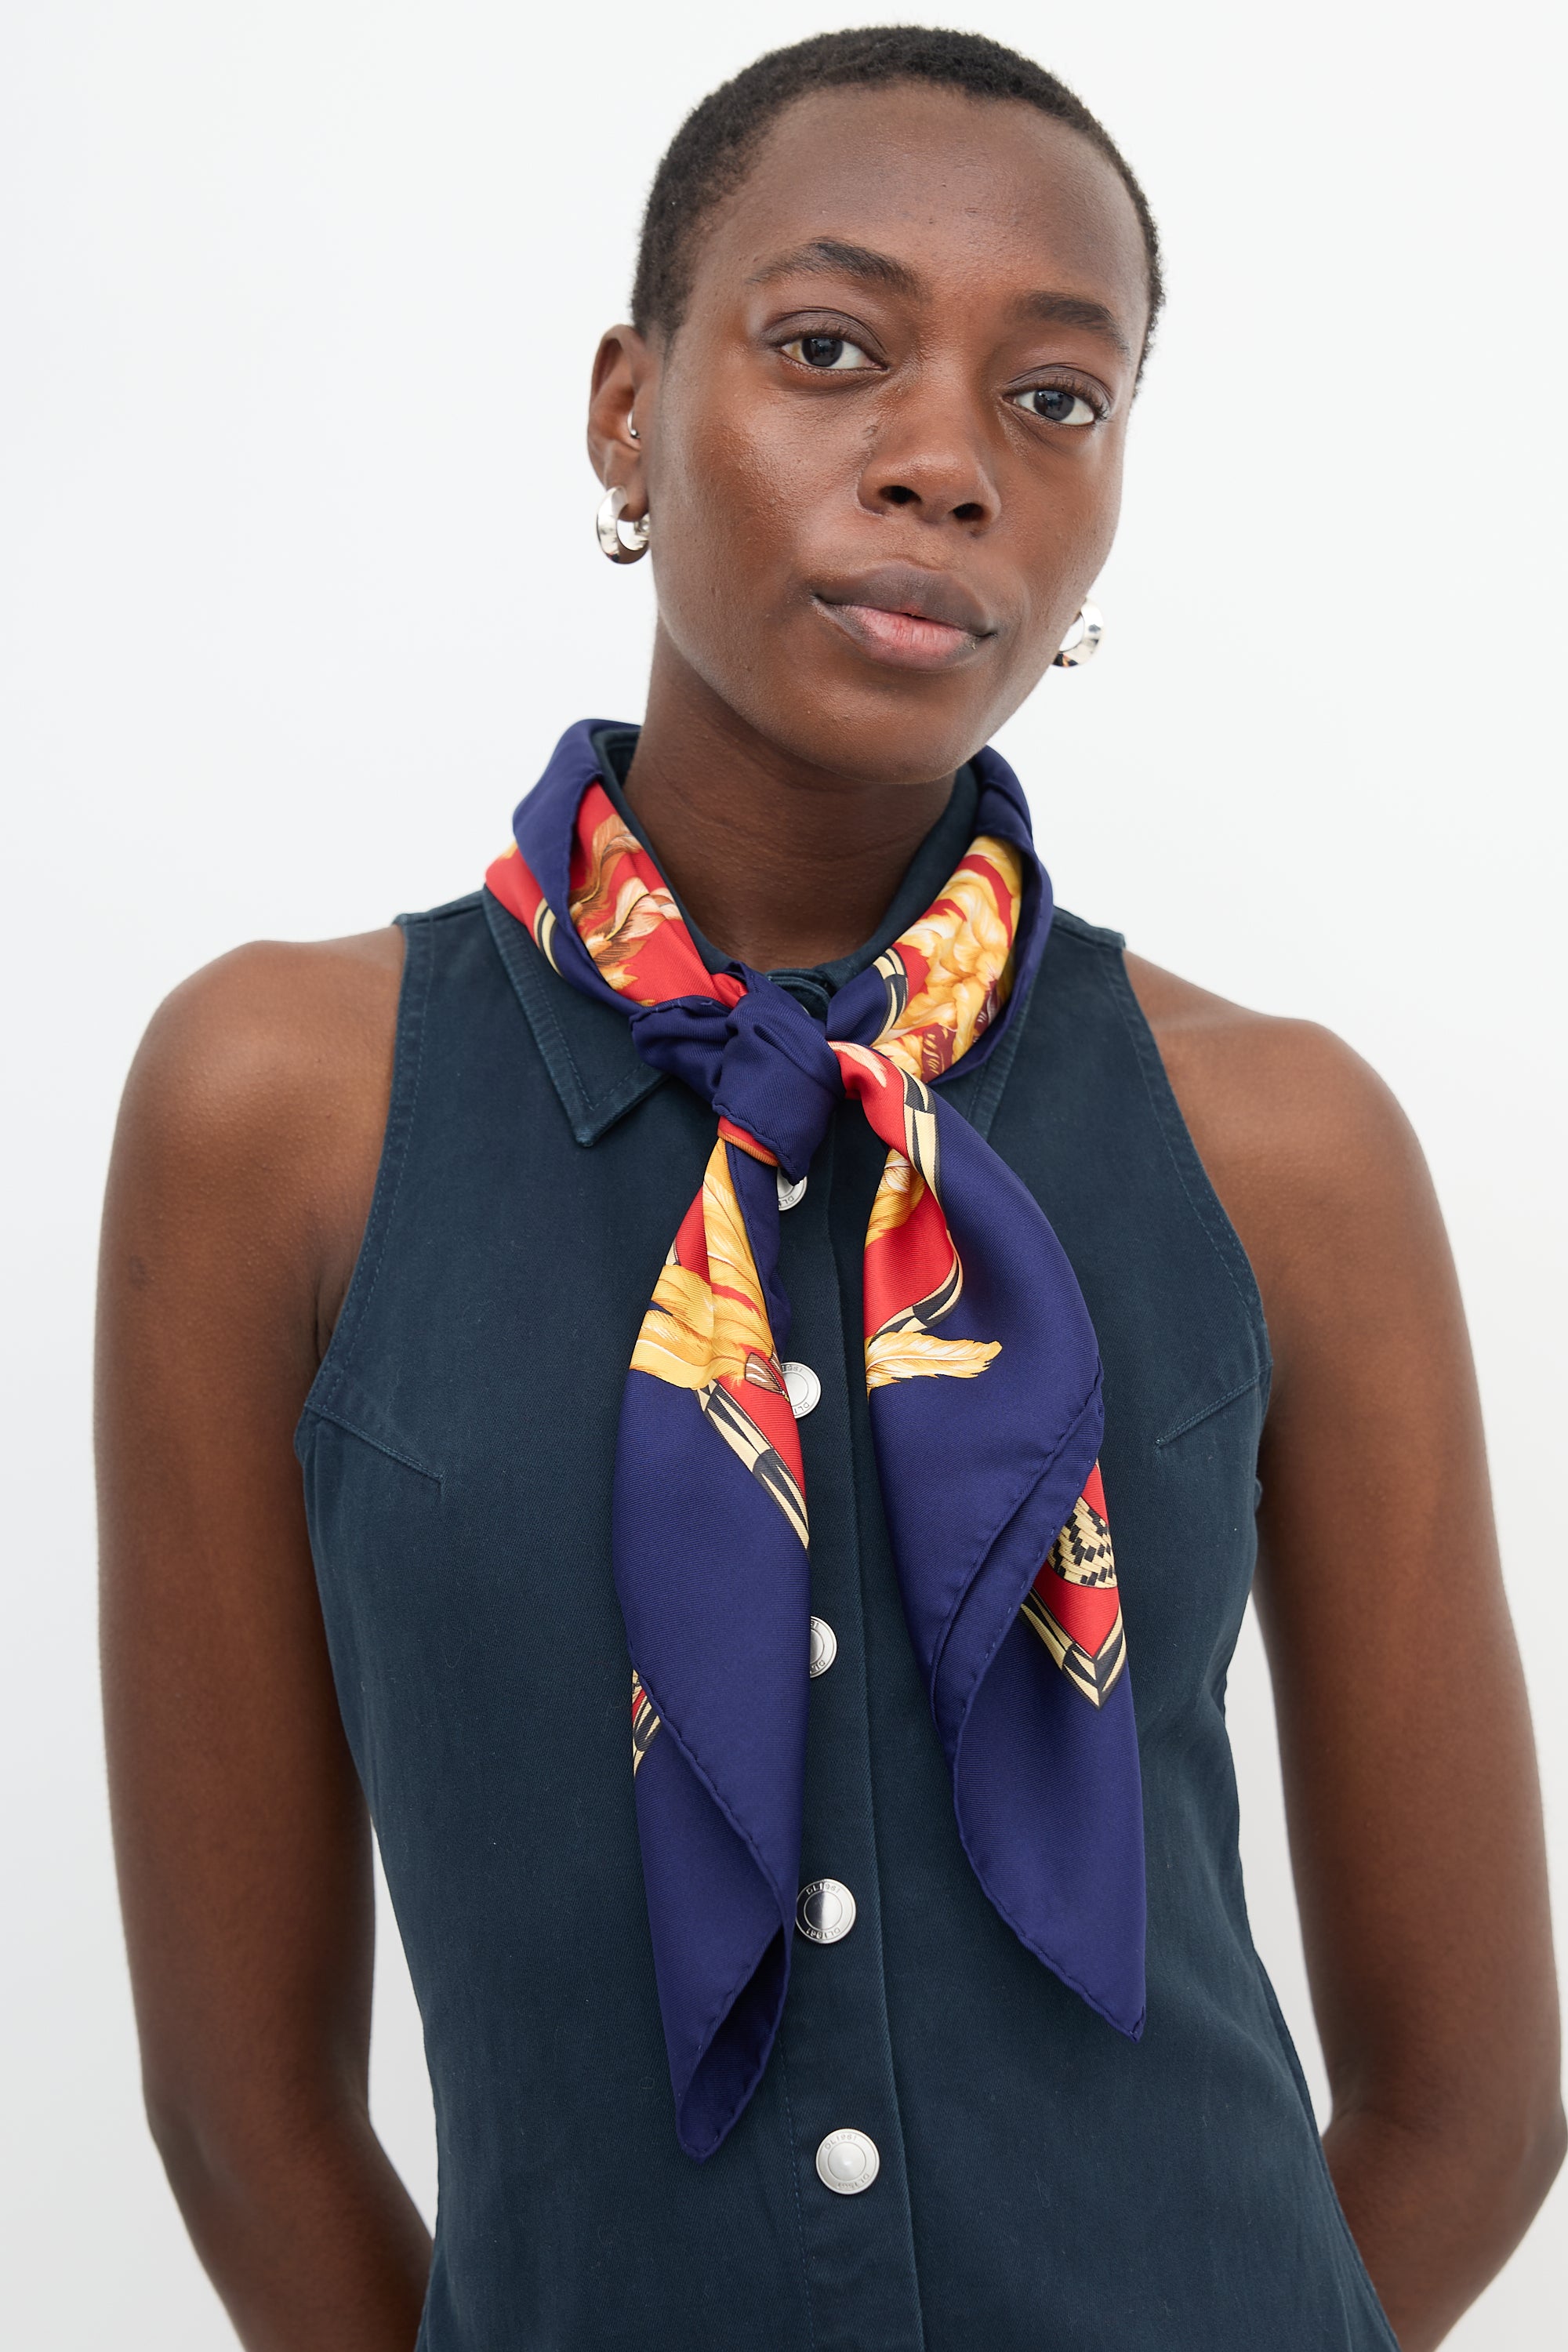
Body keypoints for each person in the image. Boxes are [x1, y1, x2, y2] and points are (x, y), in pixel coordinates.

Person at [97, 26, 1563, 2352]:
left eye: (1056, 398)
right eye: (829, 349)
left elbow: (1476, 2103)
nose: (946, 466)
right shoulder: (282, 1114)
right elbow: (242, 2109)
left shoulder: (1285, 1148)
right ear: (626, 411)